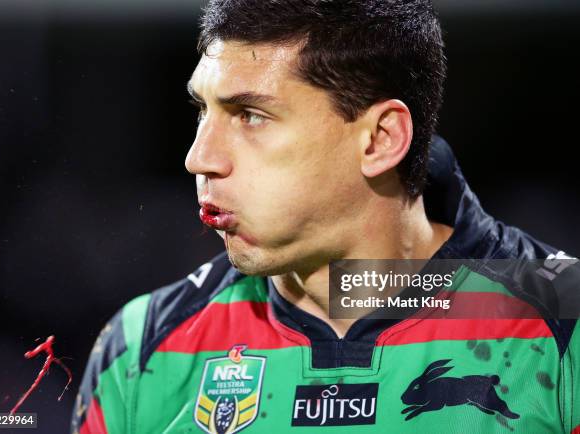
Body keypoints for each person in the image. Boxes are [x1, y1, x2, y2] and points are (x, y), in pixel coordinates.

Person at [71, 1, 580, 433]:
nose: (199, 157)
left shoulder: (566, 328)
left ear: (381, 139)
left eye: (250, 115)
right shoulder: (140, 351)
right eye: (203, 110)